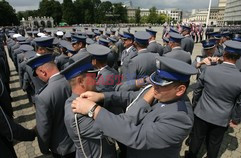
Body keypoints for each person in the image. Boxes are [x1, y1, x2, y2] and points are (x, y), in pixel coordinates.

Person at [70, 57, 198, 158]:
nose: (155, 87)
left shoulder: (180, 117)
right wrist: (102, 96)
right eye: (154, 82)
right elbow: (130, 96)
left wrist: (94, 110)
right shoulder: (160, 92)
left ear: (180, 90)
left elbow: (136, 136)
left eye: (161, 85)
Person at [186, 40, 241, 158]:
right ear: (239, 57)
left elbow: (197, 91)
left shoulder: (208, 70)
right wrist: (236, 119)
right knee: (215, 143)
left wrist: (195, 105)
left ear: (224, 54)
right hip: (222, 117)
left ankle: (191, 155)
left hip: (202, 113)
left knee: (196, 138)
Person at [60, 54, 117, 158]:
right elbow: (116, 127)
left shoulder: (93, 94)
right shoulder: (76, 114)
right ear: (81, 81)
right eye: (93, 76)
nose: (97, 79)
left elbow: (116, 91)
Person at [27, 54, 75, 157]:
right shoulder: (72, 80)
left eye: (37, 75)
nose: (39, 78)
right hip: (80, 140)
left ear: (43, 72)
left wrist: (44, 148)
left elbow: (44, 127)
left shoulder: (43, 96)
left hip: (62, 147)